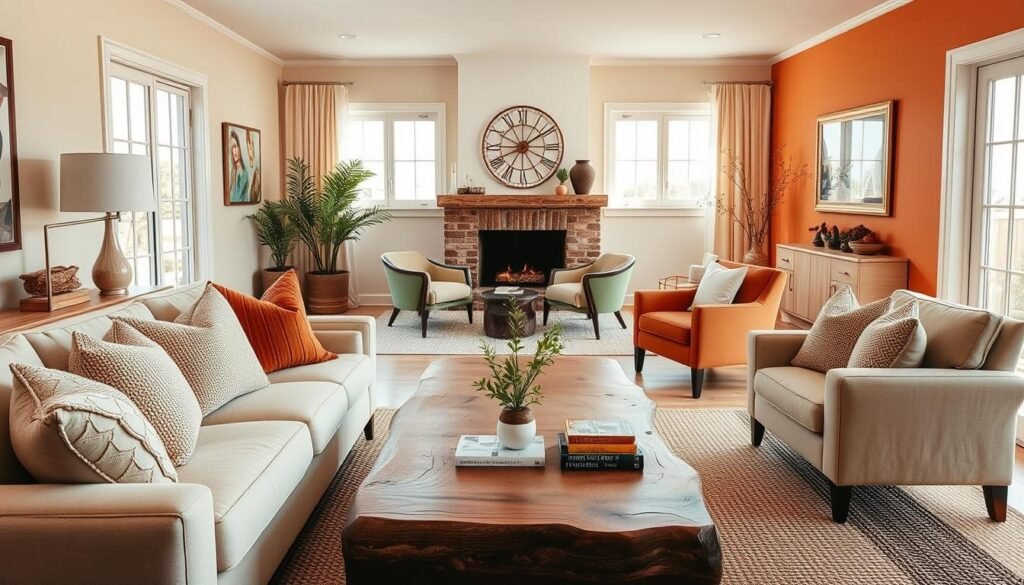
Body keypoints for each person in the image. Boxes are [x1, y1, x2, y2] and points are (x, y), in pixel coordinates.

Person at [228, 129, 250, 203]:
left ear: (239, 147)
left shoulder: (243, 172)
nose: (234, 151)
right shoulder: (233, 171)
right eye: (231, 148)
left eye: (235, 146)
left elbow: (237, 198)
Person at [246, 131, 261, 201]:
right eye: (249, 142)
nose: (250, 147)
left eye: (252, 143)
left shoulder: (257, 170)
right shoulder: (246, 168)